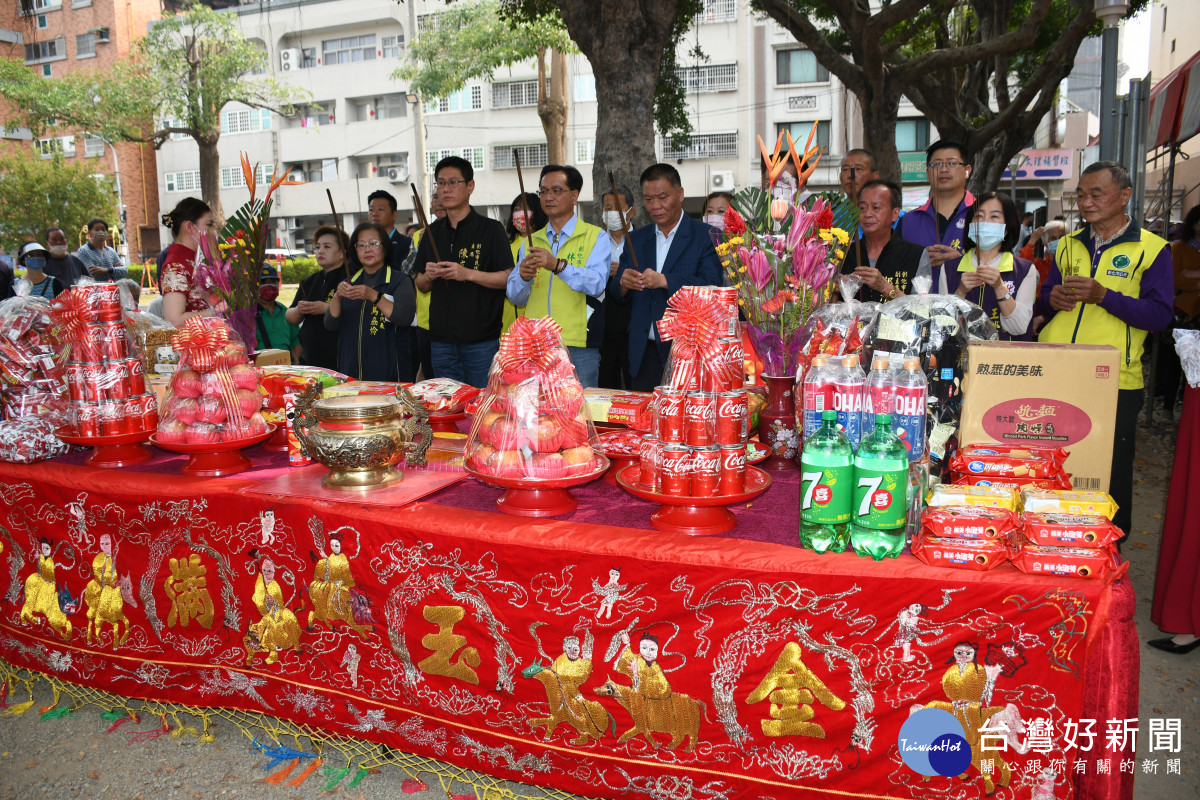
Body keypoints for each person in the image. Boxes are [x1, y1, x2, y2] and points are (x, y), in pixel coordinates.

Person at [1038, 161, 1173, 541]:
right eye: (1081, 194)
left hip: (1113, 376)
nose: (1086, 202)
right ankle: (1051, 534)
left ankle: (1110, 543)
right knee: (1054, 458)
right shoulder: (1067, 244)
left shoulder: (1152, 249)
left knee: (1110, 467)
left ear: (1125, 196)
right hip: (1057, 369)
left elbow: (1161, 315)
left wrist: (1104, 297)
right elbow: (1047, 299)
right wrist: (1054, 299)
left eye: (1096, 193)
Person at [610, 163, 722, 391]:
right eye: (648, 199)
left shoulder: (704, 236)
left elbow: (712, 287)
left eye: (662, 197)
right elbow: (614, 292)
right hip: (644, 352)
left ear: (680, 194)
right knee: (646, 422)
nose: (656, 206)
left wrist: (665, 280)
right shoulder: (637, 239)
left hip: (688, 351)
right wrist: (623, 283)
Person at [413, 156, 515, 388]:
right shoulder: (430, 232)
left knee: (481, 407)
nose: (445, 189)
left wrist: (467, 274)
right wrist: (428, 275)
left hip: (481, 341)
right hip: (440, 342)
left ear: (470, 186)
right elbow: (421, 284)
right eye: (440, 183)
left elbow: (508, 277)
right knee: (447, 407)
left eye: (453, 182)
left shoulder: (491, 229)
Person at [508, 165, 610, 387]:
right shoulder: (530, 241)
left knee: (580, 415)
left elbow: (597, 284)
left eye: (556, 190)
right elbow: (515, 297)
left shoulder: (595, 237)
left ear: (574, 195)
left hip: (577, 344)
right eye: (543, 191)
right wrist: (523, 278)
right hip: (535, 346)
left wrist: (557, 266)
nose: (548, 197)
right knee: (538, 414)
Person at [325, 221, 416, 381]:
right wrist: (337, 296)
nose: (367, 249)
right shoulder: (349, 282)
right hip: (351, 375)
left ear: (385, 247)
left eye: (373, 243)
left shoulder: (399, 280)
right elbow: (330, 324)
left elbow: (405, 317)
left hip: (390, 377)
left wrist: (374, 296)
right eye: (361, 245)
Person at [941, 192, 1036, 340]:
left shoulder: (1024, 270)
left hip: (1007, 361)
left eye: (994, 217)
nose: (984, 223)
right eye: (979, 216)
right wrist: (960, 293)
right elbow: (944, 327)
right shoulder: (949, 269)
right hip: (965, 359)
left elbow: (1019, 327)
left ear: (1007, 228)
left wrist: (999, 287)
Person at [896, 139, 976, 278]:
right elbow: (895, 268)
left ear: (967, 171)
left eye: (951, 163)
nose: (943, 169)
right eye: (936, 164)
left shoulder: (984, 215)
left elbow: (1003, 267)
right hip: (919, 300)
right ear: (928, 173)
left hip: (970, 299)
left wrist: (963, 262)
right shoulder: (908, 221)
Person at [839, 180, 927, 303]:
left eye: (876, 207)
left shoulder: (916, 255)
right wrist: (835, 288)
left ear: (895, 214)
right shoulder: (842, 254)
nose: (867, 214)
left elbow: (922, 310)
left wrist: (885, 287)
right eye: (862, 208)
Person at [286, 226, 348, 370]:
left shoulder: (350, 278)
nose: (320, 251)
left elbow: (355, 311)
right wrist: (299, 310)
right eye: (318, 247)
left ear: (341, 253)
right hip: (310, 356)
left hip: (339, 356)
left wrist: (325, 308)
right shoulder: (310, 281)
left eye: (327, 247)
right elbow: (291, 317)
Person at [159, 197, 219, 327]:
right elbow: (174, 319)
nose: (213, 231)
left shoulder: (194, 259)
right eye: (209, 225)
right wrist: (215, 312)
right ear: (190, 227)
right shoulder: (176, 264)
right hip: (194, 343)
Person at [599, 186, 636, 389]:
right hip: (605, 324)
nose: (612, 213)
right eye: (608, 208)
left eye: (617, 207)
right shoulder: (596, 241)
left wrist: (624, 272)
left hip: (633, 322)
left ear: (631, 211)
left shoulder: (641, 239)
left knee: (635, 383)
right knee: (606, 382)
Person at [410, 188, 446, 381]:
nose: (439, 201)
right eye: (435, 197)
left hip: (455, 321)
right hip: (426, 321)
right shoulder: (420, 236)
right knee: (432, 381)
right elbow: (409, 269)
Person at [500, 191, 547, 333]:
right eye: (516, 209)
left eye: (526, 208)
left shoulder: (546, 244)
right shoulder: (504, 245)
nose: (520, 213)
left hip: (538, 319)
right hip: (507, 317)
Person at [254, 264, 300, 360]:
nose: (269, 286)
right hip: (260, 369)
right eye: (263, 282)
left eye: (273, 282)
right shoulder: (248, 314)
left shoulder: (285, 311)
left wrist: (297, 362)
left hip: (286, 367)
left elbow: (296, 340)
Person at [366, 189, 413, 275]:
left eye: (380, 209)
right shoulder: (363, 245)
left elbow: (404, 274)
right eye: (371, 209)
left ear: (394, 215)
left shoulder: (407, 244)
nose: (374, 214)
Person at [1018, 219, 1067, 290]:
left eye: (1061, 237)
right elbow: (1021, 265)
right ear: (1045, 242)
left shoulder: (1072, 263)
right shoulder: (1040, 265)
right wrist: (1033, 239)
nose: (1058, 241)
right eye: (1053, 238)